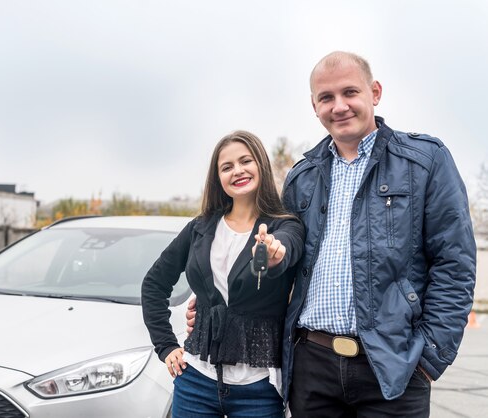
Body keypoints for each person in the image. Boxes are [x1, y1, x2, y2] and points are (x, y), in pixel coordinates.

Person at [188, 51, 476, 417]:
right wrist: (218, 304)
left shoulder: (425, 161)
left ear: (375, 92)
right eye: (326, 98)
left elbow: (455, 266)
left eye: (349, 93)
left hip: (393, 367)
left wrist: (428, 360)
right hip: (312, 368)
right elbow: (279, 269)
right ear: (314, 106)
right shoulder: (302, 176)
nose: (339, 106)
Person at [141, 130, 305, 418]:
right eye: (227, 167)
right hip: (195, 382)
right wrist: (166, 346)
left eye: (245, 161)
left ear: (261, 166)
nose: (237, 171)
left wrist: (271, 252)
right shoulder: (200, 227)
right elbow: (154, 284)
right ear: (217, 178)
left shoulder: (284, 226)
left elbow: (284, 250)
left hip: (259, 388)